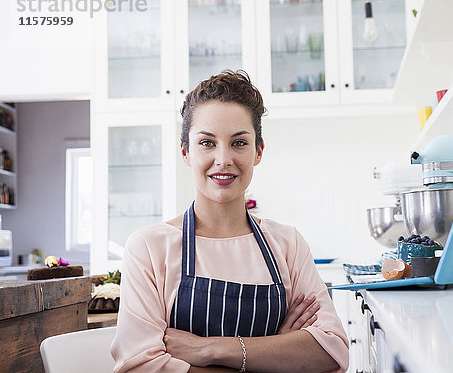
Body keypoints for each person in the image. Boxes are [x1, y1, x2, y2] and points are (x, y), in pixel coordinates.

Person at [110, 70, 349, 372]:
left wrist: (210, 349)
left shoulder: (287, 244)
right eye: (207, 143)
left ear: (258, 151)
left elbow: (331, 352)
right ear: (186, 152)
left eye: (238, 143)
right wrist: (276, 352)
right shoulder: (149, 247)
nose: (223, 159)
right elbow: (138, 367)